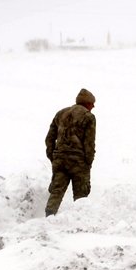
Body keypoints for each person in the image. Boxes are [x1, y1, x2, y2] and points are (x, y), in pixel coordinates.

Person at [44, 88, 96, 217]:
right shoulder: (89, 117)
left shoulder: (61, 113)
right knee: (81, 196)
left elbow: (49, 138)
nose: (93, 106)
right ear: (86, 103)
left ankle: (49, 218)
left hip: (60, 160)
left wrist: (53, 156)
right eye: (92, 103)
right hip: (78, 161)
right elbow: (89, 142)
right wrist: (88, 162)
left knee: (56, 192)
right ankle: (79, 222)